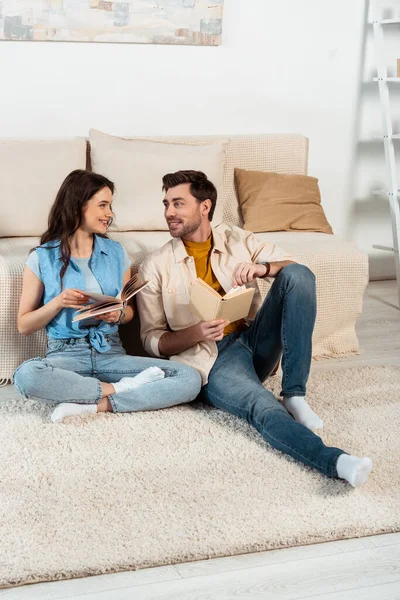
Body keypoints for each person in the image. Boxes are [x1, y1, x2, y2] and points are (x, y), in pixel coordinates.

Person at [137, 170, 373, 488]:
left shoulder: (237, 239)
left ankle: (294, 393)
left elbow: (293, 268)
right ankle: (337, 462)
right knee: (260, 407)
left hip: (253, 339)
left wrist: (262, 268)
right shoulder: (156, 265)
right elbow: (151, 341)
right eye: (166, 204)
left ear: (204, 207)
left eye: (178, 203)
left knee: (299, 276)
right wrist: (197, 332)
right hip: (212, 358)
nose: (169, 212)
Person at [13, 169, 201, 422]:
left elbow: (129, 312)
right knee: (26, 376)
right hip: (66, 356)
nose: (109, 214)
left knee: (189, 378)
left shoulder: (115, 253)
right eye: (103, 205)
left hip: (111, 353)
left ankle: (94, 406)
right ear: (78, 205)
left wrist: (118, 313)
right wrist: (58, 302)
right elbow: (24, 325)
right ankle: (117, 390)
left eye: (110, 206)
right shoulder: (42, 257)